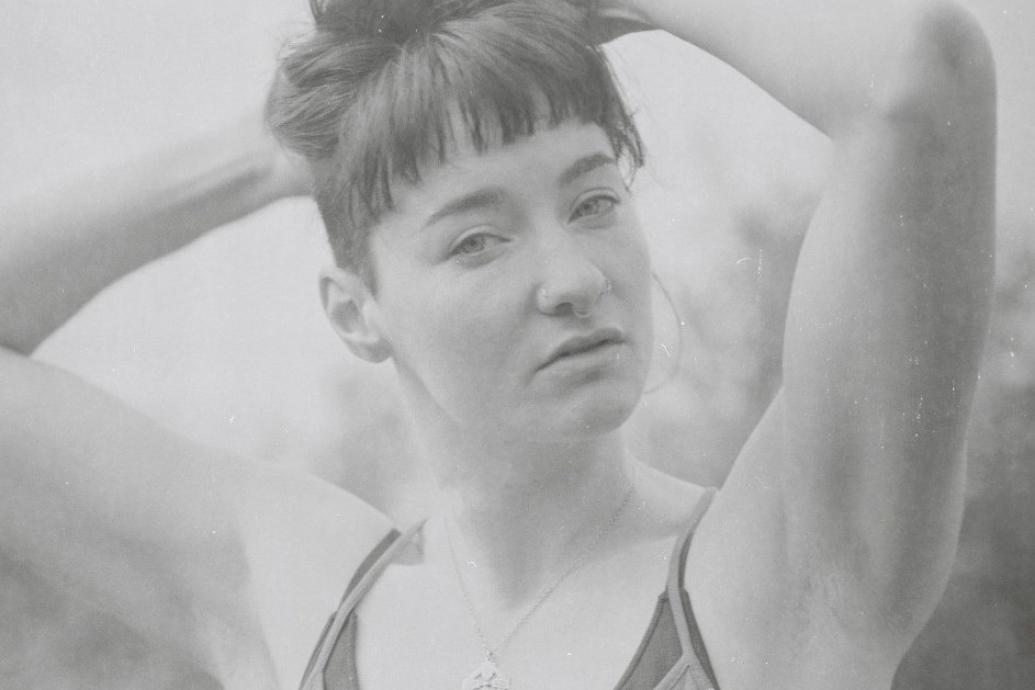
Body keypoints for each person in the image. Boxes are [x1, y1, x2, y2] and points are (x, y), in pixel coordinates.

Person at [0, 0, 996, 688]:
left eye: (595, 199)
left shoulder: (785, 572)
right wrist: (264, 158)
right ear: (357, 312)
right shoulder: (304, 594)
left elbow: (919, 77)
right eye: (478, 238)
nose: (574, 279)